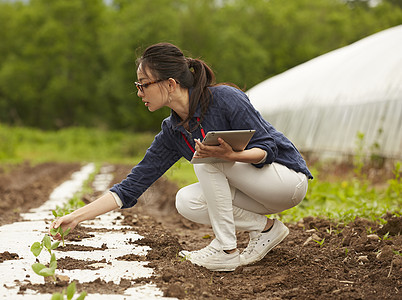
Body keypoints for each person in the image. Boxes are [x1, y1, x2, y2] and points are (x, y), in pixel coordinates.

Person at [50, 42, 313, 272]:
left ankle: (226, 250)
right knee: (187, 201)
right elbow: (133, 185)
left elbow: (268, 149)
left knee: (207, 156)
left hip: (286, 180)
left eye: (143, 85)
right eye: (137, 86)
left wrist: (232, 154)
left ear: (170, 84)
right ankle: (266, 228)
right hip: (255, 195)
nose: (139, 93)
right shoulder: (173, 131)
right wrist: (76, 217)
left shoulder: (225, 98)